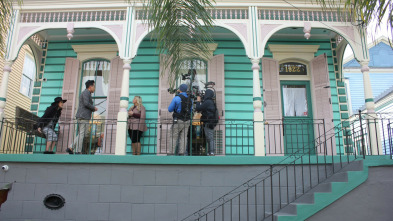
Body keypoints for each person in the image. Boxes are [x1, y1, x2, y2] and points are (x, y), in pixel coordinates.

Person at [67, 80, 97, 154]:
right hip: (83, 116)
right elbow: (86, 103)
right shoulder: (86, 93)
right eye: (94, 86)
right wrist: (93, 108)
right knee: (82, 133)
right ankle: (78, 151)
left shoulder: (86, 93)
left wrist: (92, 109)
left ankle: (71, 147)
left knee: (82, 133)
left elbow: (85, 105)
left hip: (83, 116)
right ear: (90, 87)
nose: (94, 88)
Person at [168, 84, 192, 155]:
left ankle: (171, 152)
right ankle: (182, 152)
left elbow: (170, 109)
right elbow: (190, 111)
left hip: (178, 119)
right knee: (184, 137)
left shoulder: (177, 98)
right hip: (187, 120)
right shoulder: (190, 99)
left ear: (180, 89)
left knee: (173, 136)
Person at [196, 89, 216, 156]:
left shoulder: (208, 102)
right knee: (209, 137)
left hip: (208, 123)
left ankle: (212, 152)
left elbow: (198, 108)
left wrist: (198, 101)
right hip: (210, 122)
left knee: (210, 138)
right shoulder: (210, 102)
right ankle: (210, 152)